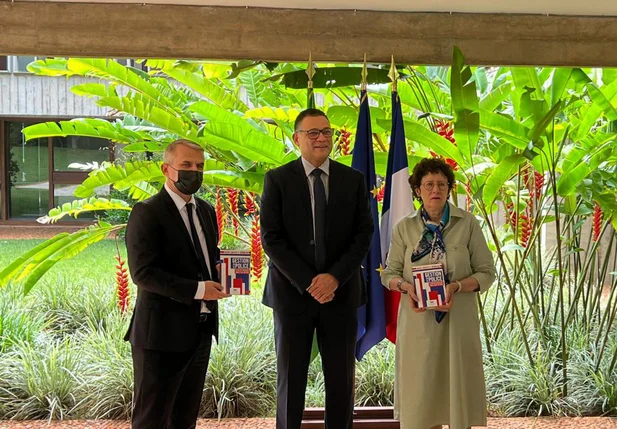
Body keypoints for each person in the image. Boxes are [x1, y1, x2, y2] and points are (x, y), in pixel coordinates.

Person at [260, 108, 374, 429]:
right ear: (297, 139)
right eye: (313, 133)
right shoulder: (278, 180)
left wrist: (334, 278)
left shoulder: (353, 180)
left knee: (340, 380)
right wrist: (311, 282)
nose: (321, 138)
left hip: (341, 294)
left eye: (326, 132)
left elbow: (363, 235)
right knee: (291, 380)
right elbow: (271, 237)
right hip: (292, 296)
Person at [380, 157, 496, 429]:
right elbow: (389, 273)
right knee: (422, 400)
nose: (435, 190)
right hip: (418, 324)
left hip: (458, 323)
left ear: (449, 189)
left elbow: (486, 272)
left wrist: (455, 286)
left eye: (442, 184)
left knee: (458, 396)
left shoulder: (467, 223)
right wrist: (407, 287)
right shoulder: (404, 228)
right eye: (428, 184)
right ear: (417, 190)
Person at [124, 139, 230, 429]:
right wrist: (199, 290)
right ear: (166, 169)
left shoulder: (206, 211)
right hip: (160, 335)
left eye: (199, 166)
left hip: (201, 332)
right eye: (186, 165)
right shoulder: (147, 212)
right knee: (152, 418)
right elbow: (143, 273)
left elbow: (208, 256)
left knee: (184, 418)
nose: (193, 172)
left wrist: (224, 273)